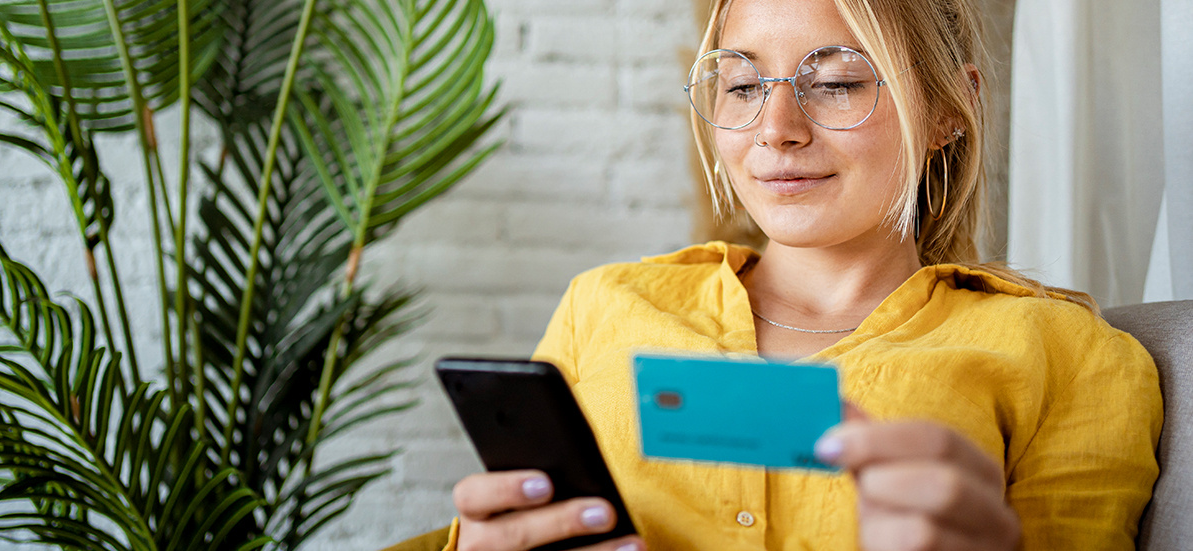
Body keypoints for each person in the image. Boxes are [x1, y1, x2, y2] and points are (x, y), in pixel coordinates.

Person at [385, 0, 1163, 549]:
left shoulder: (1070, 354)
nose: (777, 130)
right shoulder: (604, 307)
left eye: (836, 82)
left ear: (949, 108)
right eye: (744, 85)